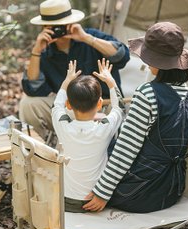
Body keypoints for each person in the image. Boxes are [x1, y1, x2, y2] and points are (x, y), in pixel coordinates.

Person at [83, 22, 188, 213]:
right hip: (171, 187)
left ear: (156, 61)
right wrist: (113, 86)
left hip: (139, 192)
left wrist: (102, 192)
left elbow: (126, 148)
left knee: (92, 157)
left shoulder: (147, 93)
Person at [20, 0, 130, 140]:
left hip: (102, 106)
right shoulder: (44, 51)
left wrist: (86, 38)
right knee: (28, 103)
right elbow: (33, 88)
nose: (58, 30)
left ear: (71, 22)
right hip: (68, 107)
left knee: (110, 112)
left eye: (61, 25)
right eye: (53, 26)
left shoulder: (90, 36)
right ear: (44, 27)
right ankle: (37, 153)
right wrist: (36, 51)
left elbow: (122, 56)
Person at [52, 59, 123, 213]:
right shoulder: (104, 129)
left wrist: (66, 81)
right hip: (97, 199)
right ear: (99, 104)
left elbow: (56, 105)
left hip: (66, 201)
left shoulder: (63, 127)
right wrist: (111, 82)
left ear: (69, 105)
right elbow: (120, 108)